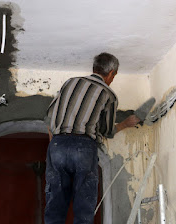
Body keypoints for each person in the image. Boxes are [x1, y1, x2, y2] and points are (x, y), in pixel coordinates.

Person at [44, 52, 140, 224]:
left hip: (58, 144)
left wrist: (55, 143)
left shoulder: (70, 83)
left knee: (55, 200)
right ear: (111, 73)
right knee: (84, 202)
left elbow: (49, 117)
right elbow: (107, 131)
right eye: (114, 76)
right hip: (84, 146)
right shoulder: (108, 94)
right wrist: (125, 123)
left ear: (94, 68)